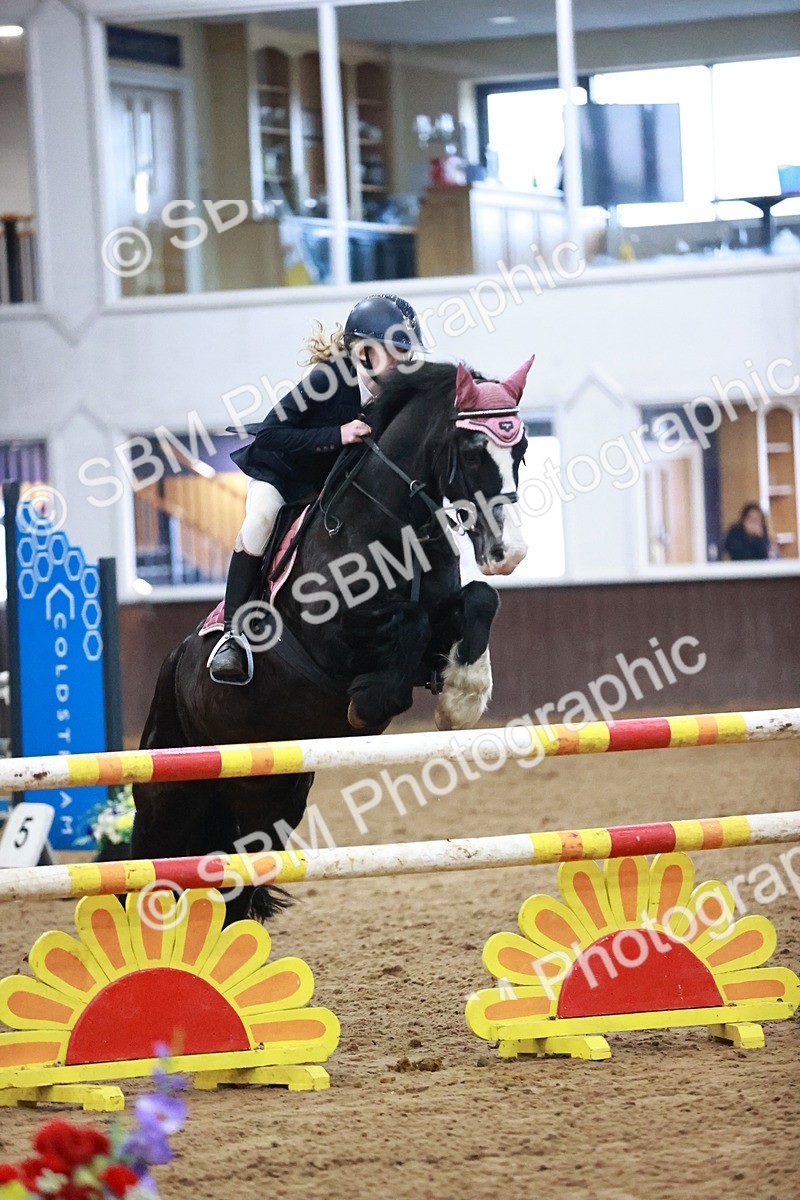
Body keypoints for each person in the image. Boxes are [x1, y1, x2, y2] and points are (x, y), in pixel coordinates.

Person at [208, 294, 424, 683]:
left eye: (407, 352)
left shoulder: (396, 400)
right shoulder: (329, 380)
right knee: (260, 521)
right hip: (282, 477)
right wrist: (338, 434)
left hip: (328, 488)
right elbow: (272, 433)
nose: (405, 362)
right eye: (397, 352)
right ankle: (233, 637)